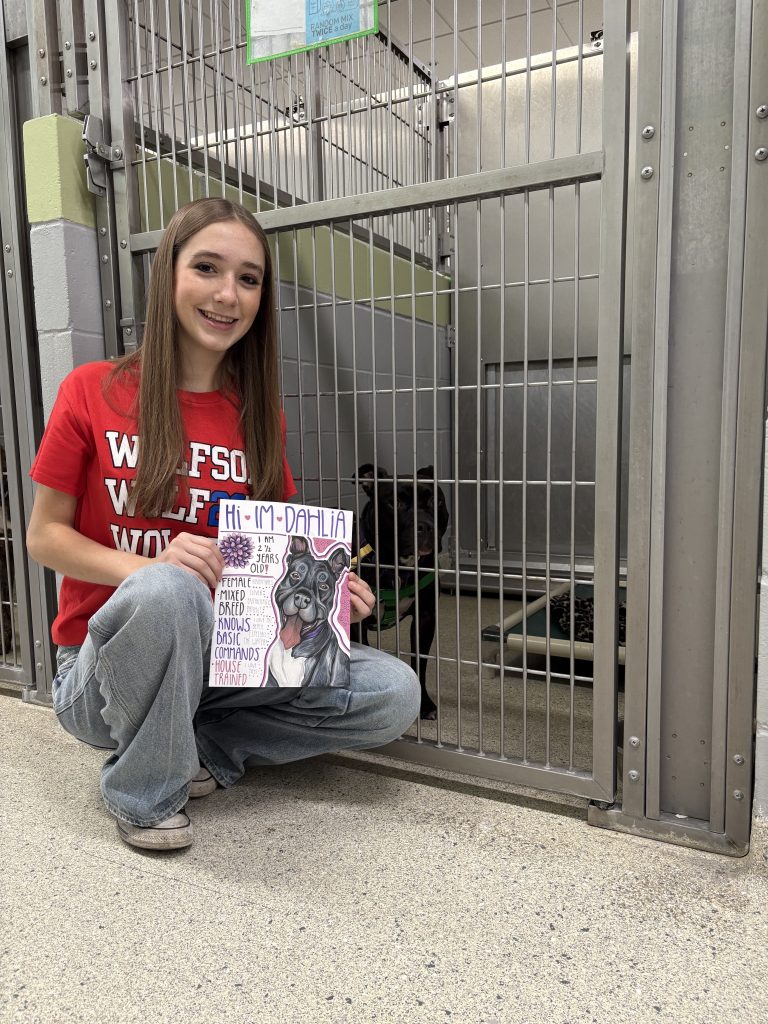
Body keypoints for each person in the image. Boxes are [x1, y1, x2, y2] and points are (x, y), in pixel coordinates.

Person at [26, 197, 421, 852]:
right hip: (99, 679)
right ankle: (142, 794)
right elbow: (44, 537)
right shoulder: (92, 389)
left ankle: (200, 746)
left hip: (222, 663)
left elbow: (274, 553)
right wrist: (152, 568)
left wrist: (332, 593)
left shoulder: (256, 415)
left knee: (393, 691)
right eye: (207, 268)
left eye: (248, 278)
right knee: (168, 592)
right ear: (168, 276)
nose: (227, 294)